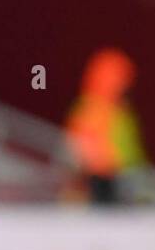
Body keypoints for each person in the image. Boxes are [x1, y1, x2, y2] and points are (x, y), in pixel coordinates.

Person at [63, 47, 146, 204]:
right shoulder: (92, 110)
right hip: (99, 181)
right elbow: (77, 149)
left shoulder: (119, 112)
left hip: (118, 180)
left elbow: (129, 149)